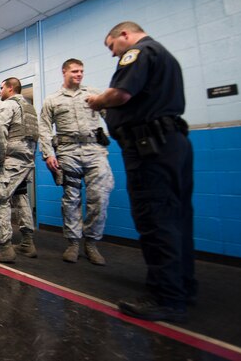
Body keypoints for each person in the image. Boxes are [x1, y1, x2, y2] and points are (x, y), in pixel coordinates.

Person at [87, 21, 196, 323]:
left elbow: (121, 94)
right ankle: (183, 286)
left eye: (111, 46)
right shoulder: (166, 56)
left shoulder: (139, 52)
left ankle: (166, 297)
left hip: (151, 148)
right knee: (177, 218)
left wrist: (97, 101)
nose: (112, 54)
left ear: (125, 35)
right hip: (173, 143)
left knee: (155, 218)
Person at [39, 59, 114, 265]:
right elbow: (44, 129)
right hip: (68, 152)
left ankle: (91, 242)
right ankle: (73, 242)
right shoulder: (52, 100)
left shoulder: (93, 94)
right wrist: (48, 154)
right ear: (64, 72)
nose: (79, 74)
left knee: (99, 196)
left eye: (81, 71)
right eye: (74, 71)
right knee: (71, 198)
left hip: (95, 152)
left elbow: (111, 116)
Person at [0, 77, 39, 263]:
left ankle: (4, 247)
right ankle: (27, 243)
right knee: (20, 196)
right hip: (26, 161)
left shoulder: (8, 104)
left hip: (11, 160)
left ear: (10, 88)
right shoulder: (30, 109)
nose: (0, 92)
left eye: (1, 88)